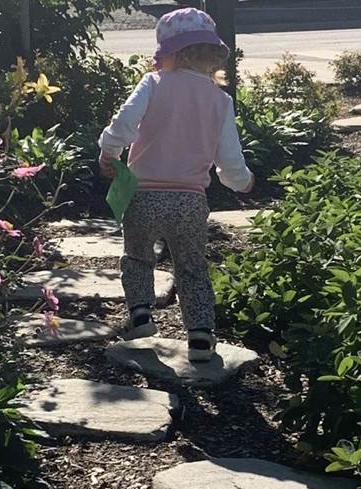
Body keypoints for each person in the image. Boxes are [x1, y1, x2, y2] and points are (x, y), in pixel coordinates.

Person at [98, 7, 255, 362]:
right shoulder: (220, 100)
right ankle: (200, 336)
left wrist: (109, 152)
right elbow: (228, 158)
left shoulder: (153, 85)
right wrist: (242, 182)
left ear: (169, 54)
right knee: (192, 266)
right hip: (190, 201)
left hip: (143, 196)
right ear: (214, 56)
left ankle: (140, 314)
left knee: (137, 258)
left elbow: (124, 124)